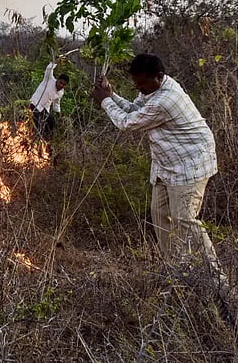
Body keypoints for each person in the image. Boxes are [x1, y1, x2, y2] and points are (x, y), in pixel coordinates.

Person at [91, 53, 224, 287]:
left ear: (159, 77)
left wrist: (104, 101)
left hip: (189, 165)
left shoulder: (165, 100)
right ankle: (179, 272)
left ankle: (216, 279)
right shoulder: (154, 90)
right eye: (137, 84)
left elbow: (127, 123)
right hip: (167, 165)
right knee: (160, 215)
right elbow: (134, 109)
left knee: (185, 219)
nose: (140, 89)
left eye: (143, 83)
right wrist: (111, 95)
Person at [28, 58, 70, 140]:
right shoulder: (49, 79)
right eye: (60, 82)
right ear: (57, 80)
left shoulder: (61, 92)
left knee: (51, 123)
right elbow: (49, 69)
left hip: (45, 109)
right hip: (35, 103)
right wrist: (55, 61)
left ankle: (46, 142)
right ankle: (35, 139)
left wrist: (59, 114)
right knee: (38, 123)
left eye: (63, 84)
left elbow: (56, 104)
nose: (61, 85)